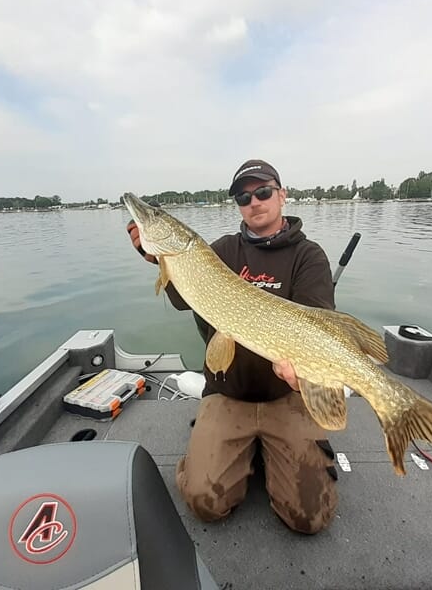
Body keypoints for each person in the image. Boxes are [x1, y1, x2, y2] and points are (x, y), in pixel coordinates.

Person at [126, 159, 338, 534]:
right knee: (204, 501)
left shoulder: (309, 256)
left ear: (282, 195)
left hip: (284, 397)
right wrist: (158, 258)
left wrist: (304, 376)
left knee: (310, 518)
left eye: (263, 192)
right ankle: (214, 455)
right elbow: (181, 299)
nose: (254, 201)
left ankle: (273, 453)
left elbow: (317, 327)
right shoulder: (218, 251)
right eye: (244, 196)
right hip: (227, 392)